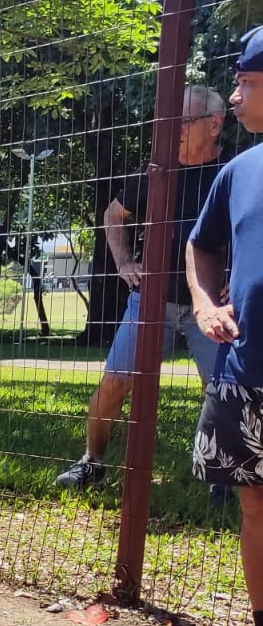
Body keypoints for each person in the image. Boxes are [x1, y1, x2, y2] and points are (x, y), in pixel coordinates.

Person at [55, 85, 228, 489]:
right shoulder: (156, 172)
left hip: (213, 310)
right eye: (170, 120)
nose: (174, 129)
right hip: (150, 302)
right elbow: (113, 215)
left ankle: (222, 481)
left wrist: (237, 282)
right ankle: (91, 464)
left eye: (184, 121)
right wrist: (124, 261)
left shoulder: (231, 173)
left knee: (221, 393)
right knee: (114, 382)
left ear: (215, 124)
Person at [188, 30, 263, 626]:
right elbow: (201, 246)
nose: (235, 97)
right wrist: (207, 303)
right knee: (254, 505)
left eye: (248, 82)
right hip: (245, 373)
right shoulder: (239, 172)